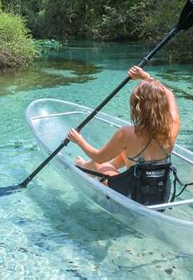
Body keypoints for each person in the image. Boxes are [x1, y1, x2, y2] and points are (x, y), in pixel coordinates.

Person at [66, 65, 180, 205]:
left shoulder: (127, 133)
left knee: (96, 163)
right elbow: (169, 95)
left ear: (138, 107)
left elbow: (99, 157)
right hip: (160, 194)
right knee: (125, 153)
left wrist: (79, 140)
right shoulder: (173, 127)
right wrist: (147, 78)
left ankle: (87, 168)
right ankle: (105, 169)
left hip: (132, 196)